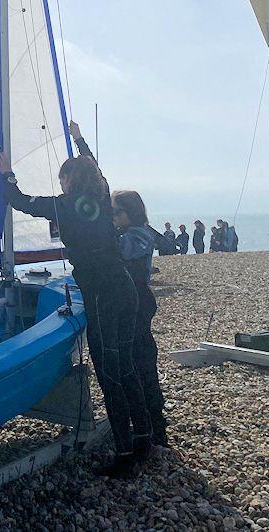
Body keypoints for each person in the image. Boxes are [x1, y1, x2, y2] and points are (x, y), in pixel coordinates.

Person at [0, 121, 151, 478]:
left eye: (63, 177)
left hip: (101, 295)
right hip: (126, 290)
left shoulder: (62, 205)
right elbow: (93, 163)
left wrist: (7, 174)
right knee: (125, 366)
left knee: (109, 374)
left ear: (68, 180)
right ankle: (143, 440)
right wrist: (78, 138)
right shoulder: (101, 196)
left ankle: (126, 457)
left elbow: (19, 201)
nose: (61, 182)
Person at [110, 190, 168, 446]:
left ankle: (156, 427)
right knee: (131, 363)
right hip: (128, 304)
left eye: (115, 212)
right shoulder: (127, 234)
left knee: (143, 363)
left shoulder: (140, 235)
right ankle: (143, 422)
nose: (112, 217)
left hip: (139, 304)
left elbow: (122, 250)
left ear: (130, 212)